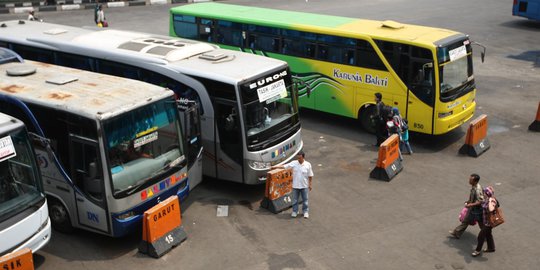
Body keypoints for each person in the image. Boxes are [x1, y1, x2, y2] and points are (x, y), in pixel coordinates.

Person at [271, 151, 314, 219]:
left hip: (304, 186)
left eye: (299, 158)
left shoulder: (308, 165)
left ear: (303, 157)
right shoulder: (294, 163)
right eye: (298, 158)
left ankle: (305, 212)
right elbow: (284, 166)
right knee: (295, 200)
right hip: (295, 186)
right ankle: (295, 211)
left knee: (305, 200)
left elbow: (310, 175)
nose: (298, 159)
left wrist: (310, 184)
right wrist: (275, 167)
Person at [449, 174, 484, 239]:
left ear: (475, 181)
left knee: (481, 224)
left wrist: (471, 204)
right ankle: (457, 233)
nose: (469, 181)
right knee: (466, 221)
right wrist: (468, 201)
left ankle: (487, 236)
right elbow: (473, 198)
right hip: (472, 209)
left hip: (478, 211)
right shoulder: (474, 186)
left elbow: (481, 201)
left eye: (471, 180)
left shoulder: (478, 190)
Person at [472, 186, 497, 257]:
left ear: (487, 193)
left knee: (480, 236)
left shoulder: (491, 200)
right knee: (488, 234)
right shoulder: (486, 199)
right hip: (485, 221)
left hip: (489, 223)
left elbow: (492, 209)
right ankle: (491, 248)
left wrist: (490, 204)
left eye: (484, 192)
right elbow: (481, 202)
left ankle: (477, 250)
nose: (483, 193)